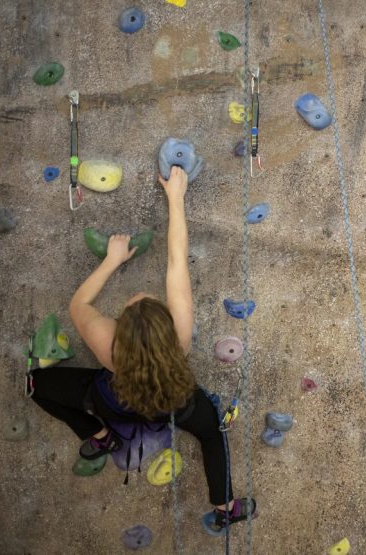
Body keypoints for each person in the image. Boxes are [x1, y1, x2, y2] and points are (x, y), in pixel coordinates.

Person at [30, 166, 255, 532]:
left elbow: (79, 304)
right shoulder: (179, 335)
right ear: (166, 328)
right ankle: (225, 506)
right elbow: (176, 260)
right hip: (176, 405)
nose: (138, 296)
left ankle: (100, 436)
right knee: (211, 433)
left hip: (113, 401)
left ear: (119, 329)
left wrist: (111, 260)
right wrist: (176, 198)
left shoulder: (109, 345)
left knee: (35, 385)